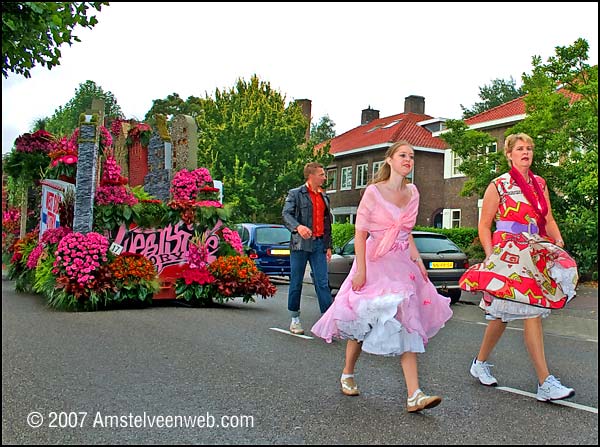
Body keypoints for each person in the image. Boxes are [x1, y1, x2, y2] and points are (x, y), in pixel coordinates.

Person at [311, 141, 453, 413]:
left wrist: (418, 260)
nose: (408, 160)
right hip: (375, 262)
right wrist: (361, 269)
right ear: (389, 160)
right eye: (402, 155)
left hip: (401, 265)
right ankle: (348, 373)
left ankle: (414, 394)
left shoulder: (413, 192)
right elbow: (361, 232)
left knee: (406, 319)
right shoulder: (373, 192)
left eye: (411, 156)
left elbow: (406, 232)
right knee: (365, 321)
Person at [460, 133, 578, 402]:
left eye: (529, 148)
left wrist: (557, 242)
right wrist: (491, 257)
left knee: (503, 315)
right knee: (529, 310)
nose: (526, 152)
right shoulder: (498, 185)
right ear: (509, 154)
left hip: (534, 250)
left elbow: (547, 217)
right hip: (509, 251)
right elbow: (484, 224)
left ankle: (479, 362)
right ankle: (545, 382)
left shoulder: (540, 183)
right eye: (520, 149)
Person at [282, 162, 334, 335]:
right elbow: (286, 214)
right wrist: (298, 227)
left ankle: (327, 320)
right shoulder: (295, 194)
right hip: (300, 244)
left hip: (319, 244)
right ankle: (295, 319)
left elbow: (327, 223)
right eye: (321, 174)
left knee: (323, 283)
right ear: (311, 176)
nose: (324, 177)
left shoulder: (324, 197)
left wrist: (328, 246)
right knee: (296, 281)